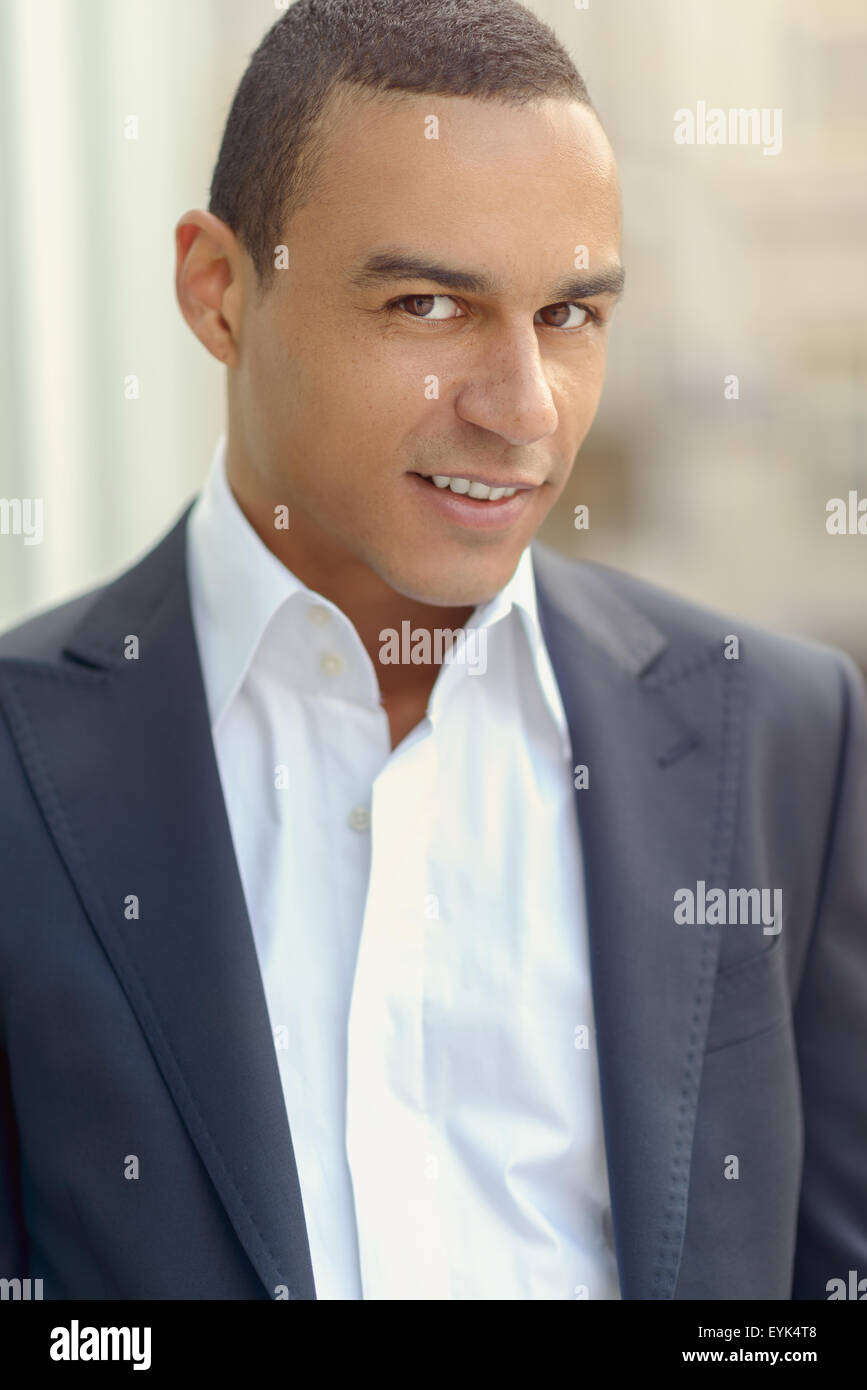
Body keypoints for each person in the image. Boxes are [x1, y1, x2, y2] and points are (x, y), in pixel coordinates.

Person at [0, 0, 865, 1302]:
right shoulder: (23, 767)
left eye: (571, 314)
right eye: (427, 303)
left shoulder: (787, 738)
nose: (523, 408)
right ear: (218, 290)